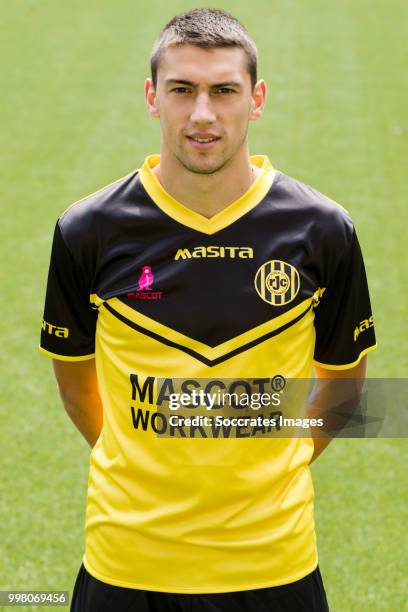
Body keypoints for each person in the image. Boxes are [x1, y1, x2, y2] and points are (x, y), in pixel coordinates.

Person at [39, 8, 377, 612]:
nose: (202, 114)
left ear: (257, 98)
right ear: (152, 97)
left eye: (224, 90)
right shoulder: (87, 230)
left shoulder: (323, 230)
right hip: (126, 563)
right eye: (182, 90)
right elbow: (77, 388)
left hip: (276, 564)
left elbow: (346, 391)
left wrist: (267, 463)